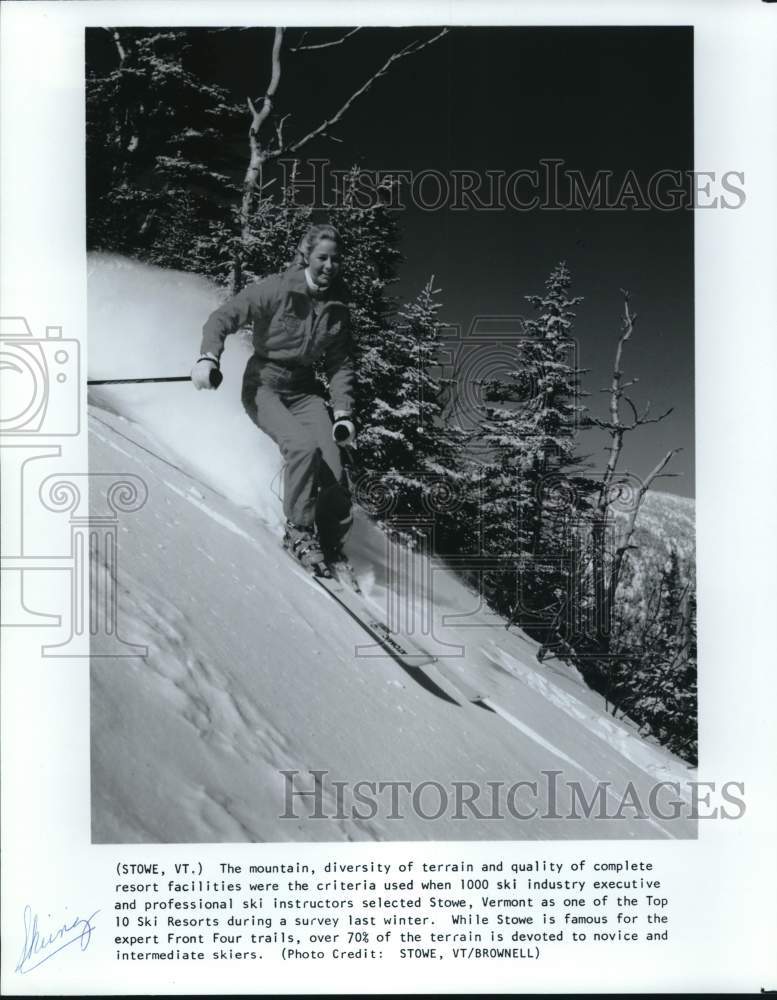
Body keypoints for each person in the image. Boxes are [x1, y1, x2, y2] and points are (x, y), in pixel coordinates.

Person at [192, 224, 356, 576]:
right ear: (306, 256)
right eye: (322, 258)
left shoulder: (338, 308)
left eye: (336, 259)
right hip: (263, 384)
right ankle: (298, 530)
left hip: (304, 390)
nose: (329, 266)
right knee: (302, 447)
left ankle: (329, 538)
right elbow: (224, 317)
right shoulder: (278, 289)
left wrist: (343, 412)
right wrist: (209, 357)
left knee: (334, 466)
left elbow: (340, 362)